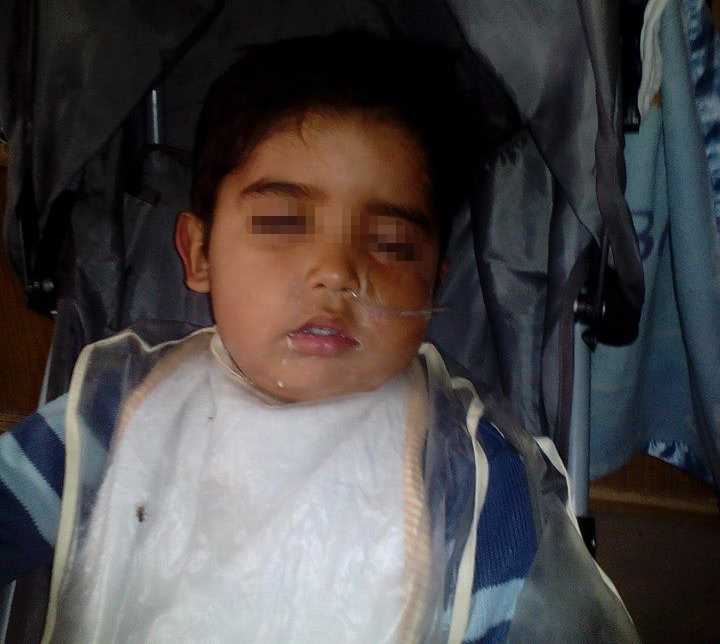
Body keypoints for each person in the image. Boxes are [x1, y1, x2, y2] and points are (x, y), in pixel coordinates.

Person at [0, 32, 640, 644]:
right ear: (199, 253)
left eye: (389, 243)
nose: (336, 271)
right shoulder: (121, 413)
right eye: (282, 223)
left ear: (432, 284)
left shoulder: (472, 476)